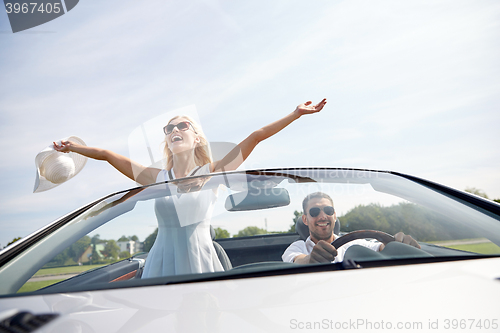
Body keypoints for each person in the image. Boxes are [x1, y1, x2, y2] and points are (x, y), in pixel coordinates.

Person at [54, 99, 327, 277]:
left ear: (196, 137)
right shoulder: (158, 177)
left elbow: (256, 137)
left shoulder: (211, 173)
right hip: (159, 262)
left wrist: (295, 114)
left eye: (182, 125)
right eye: (169, 127)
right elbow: (108, 154)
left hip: (200, 261)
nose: (174, 129)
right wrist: (73, 148)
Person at [282, 192, 420, 264]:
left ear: (335, 216)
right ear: (305, 219)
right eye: (314, 212)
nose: (323, 216)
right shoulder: (297, 247)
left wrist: (398, 245)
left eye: (328, 210)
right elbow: (298, 260)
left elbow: (379, 248)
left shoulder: (352, 242)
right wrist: (310, 259)